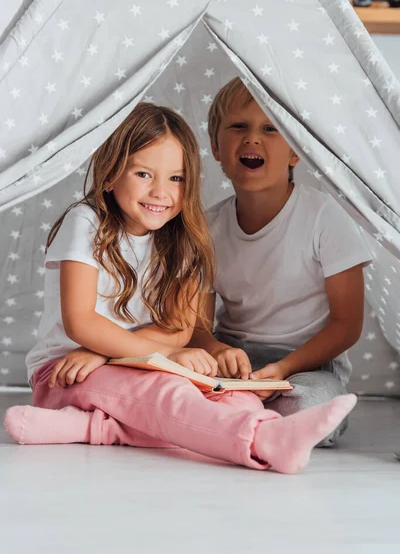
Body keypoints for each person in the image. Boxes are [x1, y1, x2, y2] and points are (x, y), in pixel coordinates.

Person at [4, 102, 357, 473]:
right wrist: (149, 357)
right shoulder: (87, 222)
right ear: (109, 175)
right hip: (68, 372)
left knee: (240, 403)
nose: (161, 192)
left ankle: (98, 428)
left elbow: (178, 329)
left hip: (137, 366)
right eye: (143, 174)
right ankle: (261, 441)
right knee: (168, 396)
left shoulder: (183, 239)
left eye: (176, 178)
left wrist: (122, 355)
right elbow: (81, 322)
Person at [188, 78, 372, 446]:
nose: (253, 139)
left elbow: (347, 324)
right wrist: (219, 352)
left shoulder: (324, 217)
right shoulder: (204, 227)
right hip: (234, 362)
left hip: (307, 366)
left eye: (270, 129)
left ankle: (235, 419)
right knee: (165, 387)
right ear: (215, 147)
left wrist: (284, 369)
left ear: (295, 151)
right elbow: (195, 326)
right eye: (239, 126)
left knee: (310, 405)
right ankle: (241, 415)